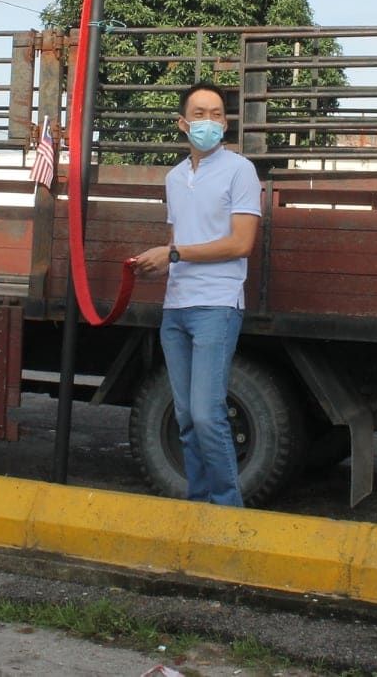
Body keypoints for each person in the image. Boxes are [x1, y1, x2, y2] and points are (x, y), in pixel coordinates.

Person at [132, 82, 262, 507]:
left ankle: (227, 514)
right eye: (201, 114)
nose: (210, 121)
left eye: (217, 114)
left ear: (225, 122)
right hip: (176, 307)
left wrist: (173, 252)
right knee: (186, 418)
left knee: (208, 416)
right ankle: (199, 506)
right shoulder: (173, 177)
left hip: (217, 306)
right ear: (183, 123)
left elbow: (241, 244)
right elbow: (179, 241)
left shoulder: (240, 170)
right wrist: (158, 262)